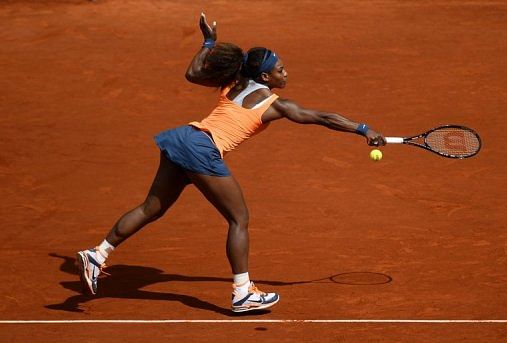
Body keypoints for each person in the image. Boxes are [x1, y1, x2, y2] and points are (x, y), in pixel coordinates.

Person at [76, 13, 386, 313]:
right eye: (280, 69)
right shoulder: (276, 105)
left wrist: (208, 43)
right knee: (239, 218)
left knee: (151, 208)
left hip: (183, 137)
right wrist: (363, 129)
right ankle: (242, 293)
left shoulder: (233, 82)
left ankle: (97, 253)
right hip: (202, 148)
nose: (286, 72)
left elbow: (192, 73)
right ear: (265, 77)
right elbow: (322, 118)